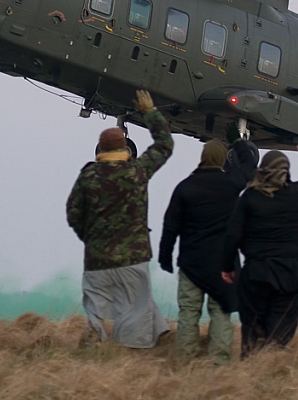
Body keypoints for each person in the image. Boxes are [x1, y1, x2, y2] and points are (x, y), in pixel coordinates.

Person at [66, 90, 173, 348]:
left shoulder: (88, 177)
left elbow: (73, 213)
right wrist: (150, 113)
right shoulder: (138, 171)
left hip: (97, 260)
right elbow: (164, 144)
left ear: (100, 149)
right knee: (136, 310)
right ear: (125, 149)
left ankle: (95, 344)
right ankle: (132, 352)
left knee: (96, 310)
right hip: (133, 260)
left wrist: (91, 238)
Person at [221, 136, 298, 358]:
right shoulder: (297, 195)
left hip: (254, 275)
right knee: (278, 340)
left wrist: (227, 267)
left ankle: (248, 373)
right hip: (288, 276)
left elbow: (232, 235)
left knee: (251, 337)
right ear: (286, 171)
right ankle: (270, 368)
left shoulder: (250, 197)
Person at [158, 139, 258, 365]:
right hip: (224, 265)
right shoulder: (231, 184)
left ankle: (184, 360)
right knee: (221, 312)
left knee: (188, 312)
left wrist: (165, 257)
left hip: (191, 263)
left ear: (202, 157)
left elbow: (170, 226)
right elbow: (250, 165)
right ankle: (218, 362)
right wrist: (239, 142)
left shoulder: (185, 187)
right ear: (222, 160)